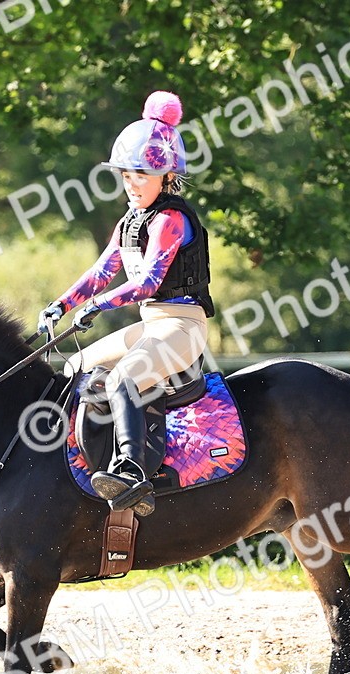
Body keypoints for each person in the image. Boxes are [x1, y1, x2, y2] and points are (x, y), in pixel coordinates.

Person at [37, 90, 213, 517]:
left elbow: (149, 281)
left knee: (121, 380)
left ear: (166, 176)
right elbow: (100, 272)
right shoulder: (130, 221)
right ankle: (84, 459)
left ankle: (133, 473)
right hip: (151, 325)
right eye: (126, 174)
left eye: (140, 175)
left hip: (181, 326)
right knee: (75, 367)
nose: (131, 183)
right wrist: (59, 306)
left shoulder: (171, 220)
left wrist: (99, 306)